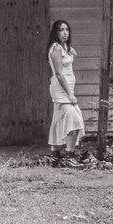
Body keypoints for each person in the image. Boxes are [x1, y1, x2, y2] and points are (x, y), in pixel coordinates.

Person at [47, 19, 85, 164]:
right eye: (61, 30)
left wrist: (71, 52)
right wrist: (70, 94)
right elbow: (59, 73)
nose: (65, 33)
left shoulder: (63, 47)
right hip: (61, 89)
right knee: (74, 119)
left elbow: (66, 63)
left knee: (58, 120)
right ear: (55, 32)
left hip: (67, 88)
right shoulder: (56, 48)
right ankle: (69, 155)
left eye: (67, 30)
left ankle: (55, 153)